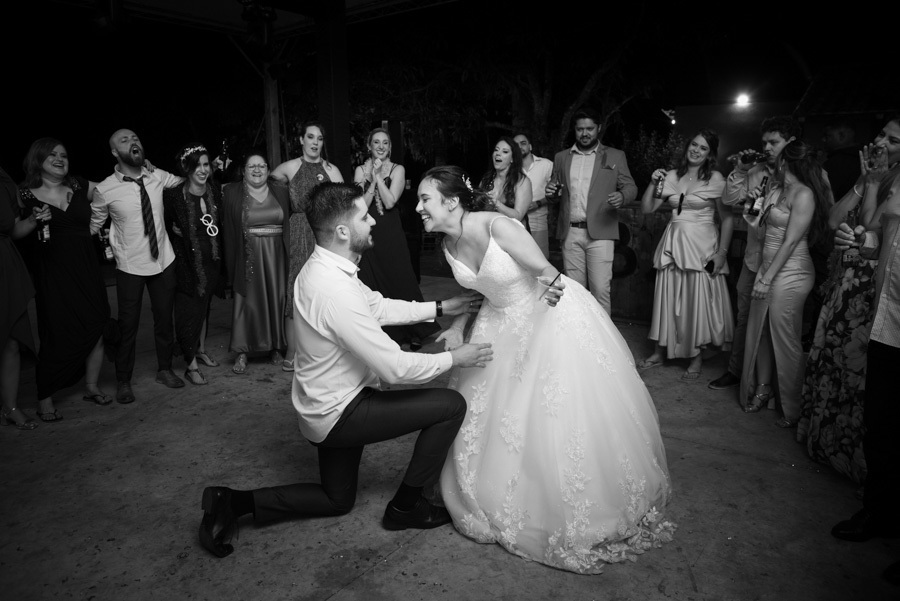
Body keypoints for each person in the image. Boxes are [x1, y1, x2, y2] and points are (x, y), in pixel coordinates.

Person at [197, 182, 492, 558]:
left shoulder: (324, 267)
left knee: (337, 500)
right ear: (341, 231)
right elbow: (394, 367)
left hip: (321, 407)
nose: (372, 222)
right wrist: (456, 357)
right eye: (364, 216)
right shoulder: (333, 290)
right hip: (342, 412)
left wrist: (439, 308)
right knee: (450, 405)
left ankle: (232, 502)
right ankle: (408, 505)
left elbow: (378, 307)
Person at [422, 166, 675, 574]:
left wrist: (551, 284)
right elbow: (478, 287)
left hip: (543, 314)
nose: (418, 208)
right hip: (496, 320)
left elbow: (544, 271)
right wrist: (455, 326)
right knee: (491, 416)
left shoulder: (499, 226)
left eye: (425, 199)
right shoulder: (447, 244)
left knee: (551, 413)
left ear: (451, 201)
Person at [798, 118, 900, 483]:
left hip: (870, 289)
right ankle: (825, 442)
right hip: (844, 281)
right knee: (833, 362)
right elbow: (834, 219)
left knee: (857, 376)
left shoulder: (892, 182)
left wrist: (873, 182)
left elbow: (870, 230)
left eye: (893, 139)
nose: (881, 142)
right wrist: (861, 182)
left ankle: (855, 461)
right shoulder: (868, 177)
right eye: (881, 134)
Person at [831, 167, 900, 585]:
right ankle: (880, 512)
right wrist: (864, 244)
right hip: (887, 320)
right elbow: (885, 248)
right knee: (883, 425)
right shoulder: (897, 180)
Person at [739, 140, 830, 427]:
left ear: (784, 161)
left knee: (784, 336)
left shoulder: (804, 194)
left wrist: (765, 279)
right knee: (762, 332)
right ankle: (764, 389)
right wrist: (752, 202)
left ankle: (792, 405)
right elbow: (759, 226)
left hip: (792, 272)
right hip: (768, 267)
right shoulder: (775, 189)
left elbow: (790, 242)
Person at [19, 138, 112, 420]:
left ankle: (92, 386)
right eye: (52, 155)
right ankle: (45, 396)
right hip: (52, 271)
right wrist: (34, 221)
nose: (60, 159)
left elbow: (113, 187)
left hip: (87, 268)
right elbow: (13, 233)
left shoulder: (80, 186)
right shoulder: (24, 194)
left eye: (64, 155)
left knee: (97, 322)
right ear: (38, 160)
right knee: (55, 329)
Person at [90, 129, 185, 404]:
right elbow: (93, 226)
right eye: (124, 140)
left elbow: (185, 182)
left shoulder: (157, 175)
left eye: (136, 138)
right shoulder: (105, 189)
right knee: (128, 325)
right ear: (113, 152)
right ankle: (123, 380)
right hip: (130, 266)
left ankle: (165, 370)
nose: (133, 142)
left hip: (163, 260)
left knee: (164, 320)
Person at [708, 116, 801, 391]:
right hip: (753, 258)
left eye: (775, 142)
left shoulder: (808, 174)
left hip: (787, 262)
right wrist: (739, 171)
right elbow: (728, 200)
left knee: (781, 325)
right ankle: (737, 371)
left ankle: (778, 385)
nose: (768, 147)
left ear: (791, 143)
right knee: (744, 317)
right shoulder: (756, 171)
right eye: (765, 142)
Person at [637, 130, 734, 380]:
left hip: (702, 248)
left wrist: (721, 253)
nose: (696, 150)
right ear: (687, 146)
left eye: (703, 148)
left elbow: (727, 219)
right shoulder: (671, 176)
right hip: (673, 244)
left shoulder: (716, 178)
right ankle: (660, 351)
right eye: (693, 144)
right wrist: (652, 181)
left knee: (696, 301)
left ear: (710, 154)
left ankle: (696, 356)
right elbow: (647, 208)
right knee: (667, 297)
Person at [546, 106, 637, 315]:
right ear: (575, 130)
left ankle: (604, 344)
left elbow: (631, 187)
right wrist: (551, 191)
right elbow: (555, 191)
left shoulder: (615, 156)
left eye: (589, 128)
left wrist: (622, 196)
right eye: (580, 129)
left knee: (600, 290)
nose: (584, 133)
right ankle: (579, 342)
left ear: (599, 128)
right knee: (574, 292)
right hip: (571, 232)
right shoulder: (561, 158)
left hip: (602, 233)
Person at [353, 127, 439, 349]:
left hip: (391, 231)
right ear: (369, 146)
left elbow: (390, 202)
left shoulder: (398, 169)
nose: (381, 146)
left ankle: (414, 330)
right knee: (372, 283)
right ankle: (383, 334)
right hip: (368, 231)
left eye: (385, 143)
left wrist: (378, 176)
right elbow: (360, 205)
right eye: (376, 143)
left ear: (390, 147)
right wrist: (371, 179)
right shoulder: (359, 170)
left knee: (401, 279)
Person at [270, 121, 344, 371]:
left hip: (325, 234)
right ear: (301, 140)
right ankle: (292, 350)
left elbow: (344, 203)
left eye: (319, 138)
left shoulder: (332, 170)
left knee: (325, 288)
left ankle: (326, 348)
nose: (314, 142)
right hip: (299, 231)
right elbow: (263, 182)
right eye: (310, 137)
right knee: (296, 289)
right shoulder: (289, 168)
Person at [221, 152, 290, 375]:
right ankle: (242, 351)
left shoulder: (280, 191)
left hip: (276, 254)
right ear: (244, 170)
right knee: (246, 301)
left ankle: (276, 347)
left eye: (262, 166)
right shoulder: (231, 192)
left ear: (269, 170)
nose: (257, 170)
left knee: (276, 298)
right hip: (247, 252)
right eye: (252, 166)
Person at [162, 144, 224, 385]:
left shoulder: (214, 191)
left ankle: (199, 349)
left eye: (206, 164)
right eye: (197, 165)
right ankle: (190, 364)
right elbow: (163, 224)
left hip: (212, 260)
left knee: (204, 307)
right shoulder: (174, 195)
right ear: (186, 168)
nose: (202, 169)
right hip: (187, 263)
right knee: (189, 310)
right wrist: (173, 230)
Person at [1, 166, 47, 430]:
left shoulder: (4, 179)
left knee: (11, 338)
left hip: (5, 262)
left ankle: (11, 407)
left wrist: (32, 220)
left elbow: (11, 229)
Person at [514, 132, 554, 259]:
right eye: (515, 145)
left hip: (539, 221)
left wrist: (538, 203)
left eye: (523, 143)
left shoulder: (546, 165)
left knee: (541, 262)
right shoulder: (510, 169)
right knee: (518, 263)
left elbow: (557, 194)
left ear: (530, 146)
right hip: (515, 224)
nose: (520, 147)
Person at [478, 136, 532, 222]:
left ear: (512, 159)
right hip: (489, 232)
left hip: (514, 233)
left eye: (505, 151)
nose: (498, 153)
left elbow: (518, 216)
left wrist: (496, 203)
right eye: (496, 150)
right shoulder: (486, 180)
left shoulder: (522, 181)